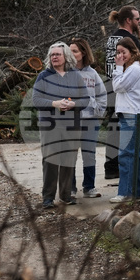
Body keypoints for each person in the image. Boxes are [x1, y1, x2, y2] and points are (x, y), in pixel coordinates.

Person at [31, 42, 88, 209]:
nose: (54, 57)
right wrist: (54, 103)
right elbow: (36, 100)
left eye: (58, 54)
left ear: (66, 57)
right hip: (50, 125)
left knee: (69, 160)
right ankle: (48, 198)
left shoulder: (76, 75)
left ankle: (66, 195)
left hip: (72, 125)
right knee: (50, 161)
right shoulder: (43, 76)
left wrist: (73, 105)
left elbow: (85, 99)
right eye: (52, 55)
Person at [103, 5, 140, 180]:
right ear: (129, 20)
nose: (139, 22)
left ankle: (110, 166)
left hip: (109, 83)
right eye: (137, 19)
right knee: (125, 128)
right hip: (124, 84)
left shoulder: (111, 38)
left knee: (113, 127)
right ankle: (123, 165)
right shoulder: (129, 40)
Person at [110, 37, 140, 203]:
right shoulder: (133, 68)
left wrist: (118, 68)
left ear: (132, 51)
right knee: (134, 155)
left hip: (130, 115)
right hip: (130, 113)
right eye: (118, 52)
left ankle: (125, 192)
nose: (120, 56)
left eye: (123, 52)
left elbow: (118, 87)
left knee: (126, 154)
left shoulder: (133, 69)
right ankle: (139, 190)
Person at [69, 38, 107, 198]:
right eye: (69, 51)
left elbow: (102, 95)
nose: (71, 54)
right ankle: (69, 188)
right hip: (70, 120)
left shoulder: (92, 74)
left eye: (75, 51)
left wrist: (97, 113)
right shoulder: (65, 73)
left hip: (90, 121)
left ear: (83, 53)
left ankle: (89, 187)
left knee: (89, 154)